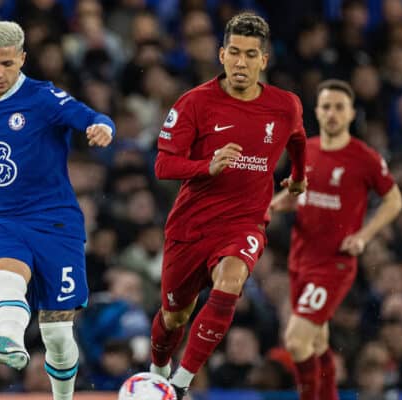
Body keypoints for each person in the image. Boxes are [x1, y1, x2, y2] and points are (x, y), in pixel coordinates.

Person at [148, 12, 307, 399]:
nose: (241, 62)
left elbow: (298, 139)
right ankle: (156, 374)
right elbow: (163, 164)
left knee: (232, 281)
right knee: (174, 317)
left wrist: (300, 177)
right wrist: (208, 165)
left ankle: (180, 386)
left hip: (245, 223)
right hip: (192, 225)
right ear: (221, 55)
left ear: (263, 60)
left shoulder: (285, 105)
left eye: (251, 54)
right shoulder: (194, 103)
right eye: (234, 52)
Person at [0, 21, 115, 400]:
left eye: (7, 64)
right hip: (1, 220)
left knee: (57, 334)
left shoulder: (44, 98)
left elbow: (90, 117)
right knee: (5, 279)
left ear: (22, 59)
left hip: (55, 223)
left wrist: (102, 128)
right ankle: (10, 340)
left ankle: (62, 397)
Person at [270, 79, 402, 400]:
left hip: (334, 263)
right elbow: (296, 194)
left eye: (339, 107)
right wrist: (278, 203)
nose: (332, 113)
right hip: (300, 258)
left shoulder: (364, 157)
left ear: (351, 113)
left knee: (296, 341)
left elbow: (394, 200)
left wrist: (364, 236)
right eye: (326, 106)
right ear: (317, 111)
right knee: (317, 343)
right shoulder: (306, 149)